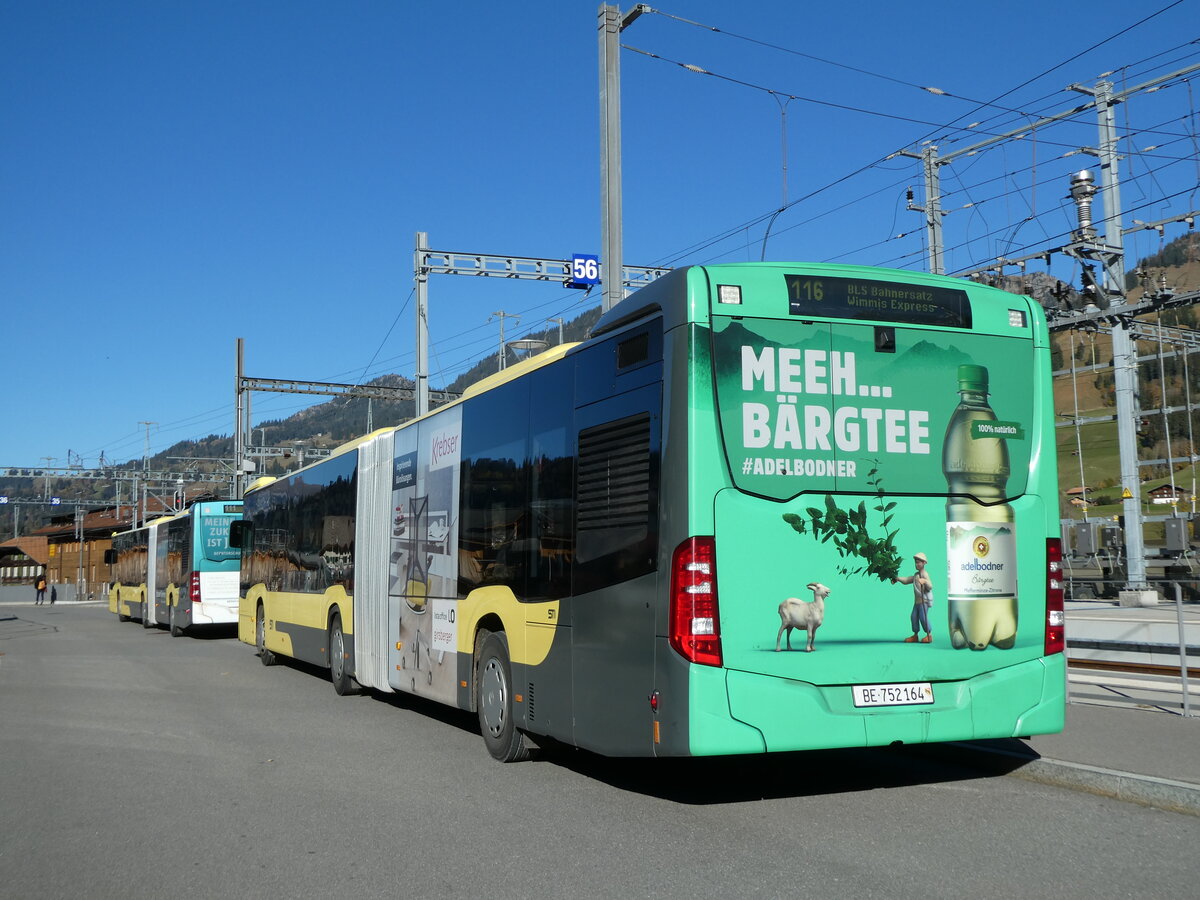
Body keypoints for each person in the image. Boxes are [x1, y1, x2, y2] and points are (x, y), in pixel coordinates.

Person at [892, 551, 934, 643]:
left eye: (918, 562)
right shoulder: (916, 575)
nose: (916, 564)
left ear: (924, 563)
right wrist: (898, 579)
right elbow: (907, 580)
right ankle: (915, 635)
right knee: (914, 617)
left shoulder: (924, 574)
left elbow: (930, 586)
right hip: (917, 602)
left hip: (924, 602)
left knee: (923, 617)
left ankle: (929, 635)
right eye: (916, 562)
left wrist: (925, 581)